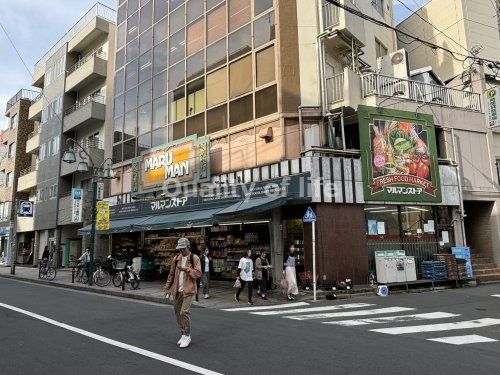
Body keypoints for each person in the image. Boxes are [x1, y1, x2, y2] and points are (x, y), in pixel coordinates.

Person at [164, 237, 201, 349]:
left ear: (188, 247)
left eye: (183, 249)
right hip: (177, 290)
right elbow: (171, 275)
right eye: (180, 249)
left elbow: (198, 274)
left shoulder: (194, 258)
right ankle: (183, 334)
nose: (181, 251)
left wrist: (187, 270)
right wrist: (167, 288)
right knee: (177, 312)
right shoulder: (176, 259)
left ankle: (188, 335)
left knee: (184, 312)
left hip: (188, 290)